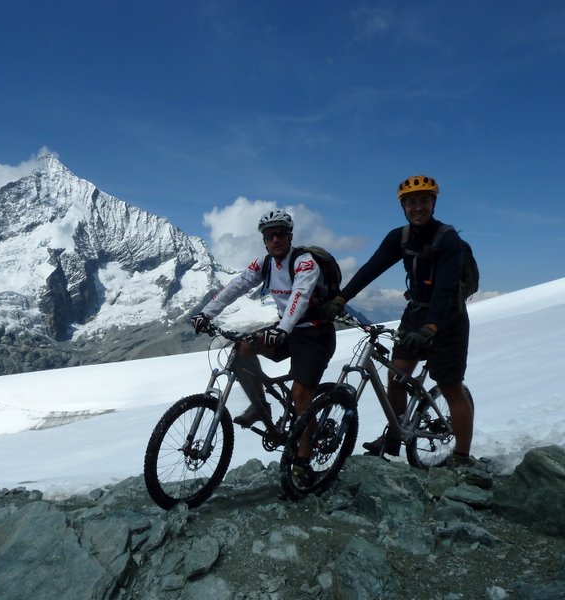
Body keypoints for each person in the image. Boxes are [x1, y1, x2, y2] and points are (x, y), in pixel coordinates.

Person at [323, 175, 475, 467]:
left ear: (433, 203)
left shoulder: (447, 237)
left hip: (448, 317)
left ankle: (462, 456)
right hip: (416, 311)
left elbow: (445, 288)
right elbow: (371, 268)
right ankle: (394, 435)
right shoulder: (400, 237)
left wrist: (431, 328)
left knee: (450, 385)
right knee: (397, 375)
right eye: (411, 202)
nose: (417, 207)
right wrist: (341, 298)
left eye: (423, 201)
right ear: (403, 207)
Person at [190, 209, 337, 476]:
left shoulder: (304, 262)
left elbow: (299, 297)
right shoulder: (265, 263)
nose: (276, 239)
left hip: (315, 334)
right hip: (287, 331)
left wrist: (282, 328)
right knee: (243, 349)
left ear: (290, 236)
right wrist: (206, 313)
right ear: (264, 240)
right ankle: (261, 406)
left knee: (301, 396)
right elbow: (236, 286)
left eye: (281, 233)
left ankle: (303, 462)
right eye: (270, 235)